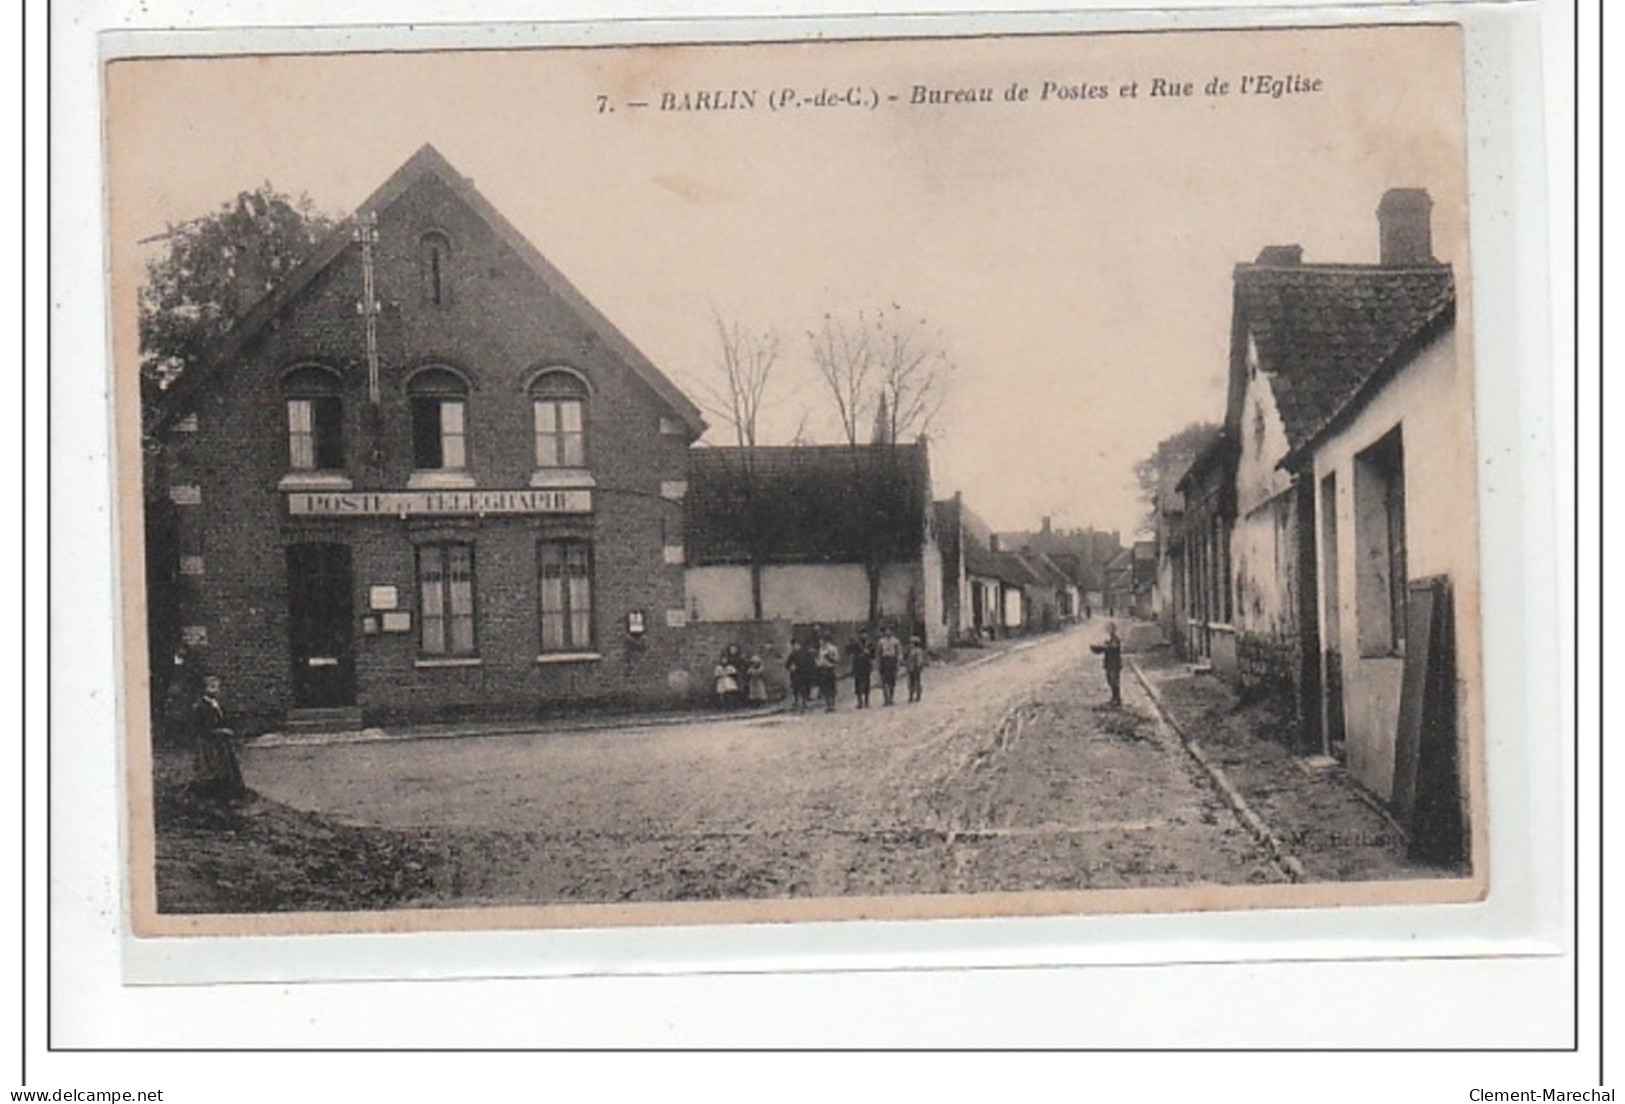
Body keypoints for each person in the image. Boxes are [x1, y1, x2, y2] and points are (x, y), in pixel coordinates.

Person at [191, 675, 245, 801]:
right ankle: (214, 797)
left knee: (228, 768)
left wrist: (228, 727)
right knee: (214, 769)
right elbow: (202, 729)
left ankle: (231, 795)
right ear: (204, 689)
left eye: (217, 687)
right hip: (209, 744)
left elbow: (223, 720)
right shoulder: (200, 706)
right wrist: (221, 731)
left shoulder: (216, 704)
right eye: (212, 687)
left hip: (221, 742)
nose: (216, 690)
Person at [1090, 622, 1124, 706]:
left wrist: (1103, 647)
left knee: (1114, 681)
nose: (1108, 630)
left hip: (1115, 664)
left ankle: (1117, 699)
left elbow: (1112, 647)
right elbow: (1104, 649)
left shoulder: (1116, 639)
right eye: (1107, 628)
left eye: (1110, 628)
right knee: (1110, 680)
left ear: (1113, 629)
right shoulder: (1108, 640)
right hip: (1109, 663)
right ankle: (1114, 698)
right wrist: (1095, 649)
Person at [785, 639, 816, 713]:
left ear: (799, 645)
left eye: (795, 645)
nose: (794, 647)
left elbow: (812, 664)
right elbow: (787, 664)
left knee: (804, 688)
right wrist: (790, 667)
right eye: (793, 645)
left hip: (805, 674)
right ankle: (797, 701)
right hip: (796, 675)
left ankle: (804, 702)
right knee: (796, 689)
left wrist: (812, 673)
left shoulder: (807, 653)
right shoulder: (793, 654)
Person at [846, 629, 875, 708]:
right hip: (858, 665)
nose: (863, 635)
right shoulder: (855, 643)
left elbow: (873, 655)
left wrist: (869, 653)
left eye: (864, 633)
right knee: (858, 683)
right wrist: (849, 642)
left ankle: (866, 701)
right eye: (861, 633)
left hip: (866, 665)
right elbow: (848, 651)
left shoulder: (869, 644)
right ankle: (859, 701)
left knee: (867, 683)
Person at [876, 626, 903, 706]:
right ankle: (886, 699)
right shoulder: (881, 641)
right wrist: (878, 663)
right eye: (886, 631)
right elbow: (878, 653)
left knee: (892, 681)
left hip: (892, 661)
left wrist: (898, 662)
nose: (888, 632)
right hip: (884, 661)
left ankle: (891, 698)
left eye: (890, 630)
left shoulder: (895, 641)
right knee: (884, 681)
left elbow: (899, 652)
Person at [815, 632, 841, 712]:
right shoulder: (821, 649)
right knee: (825, 688)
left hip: (830, 669)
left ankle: (832, 705)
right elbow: (819, 660)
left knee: (831, 687)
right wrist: (817, 663)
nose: (821, 641)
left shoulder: (833, 648)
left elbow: (837, 659)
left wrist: (829, 657)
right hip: (822, 669)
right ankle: (828, 705)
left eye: (822, 640)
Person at [905, 636, 927, 703]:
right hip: (911, 668)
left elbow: (920, 660)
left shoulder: (918, 651)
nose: (911, 644)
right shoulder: (910, 650)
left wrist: (918, 666)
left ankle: (918, 695)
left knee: (917, 682)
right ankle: (911, 695)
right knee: (911, 682)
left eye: (912, 643)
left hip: (916, 668)